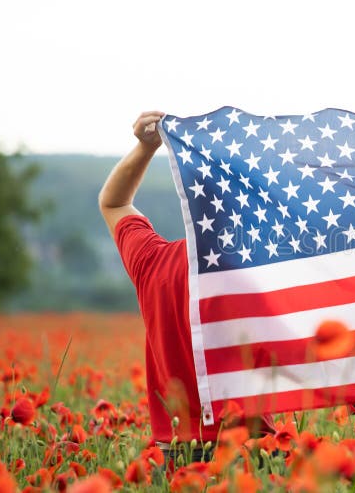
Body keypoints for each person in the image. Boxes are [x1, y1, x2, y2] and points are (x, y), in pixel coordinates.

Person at [98, 111, 271, 463]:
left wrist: (146, 148)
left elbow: (113, 202)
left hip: (176, 451)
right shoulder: (260, 274)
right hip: (248, 451)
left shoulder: (152, 261)